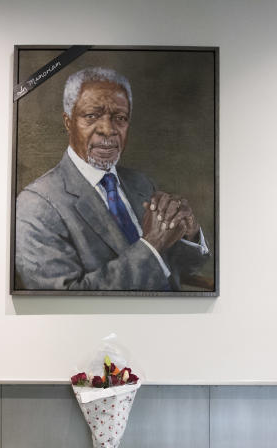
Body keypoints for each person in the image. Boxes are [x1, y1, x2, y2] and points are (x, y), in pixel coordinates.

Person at [14, 67, 209, 291]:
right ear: (68, 123)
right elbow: (63, 298)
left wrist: (189, 233)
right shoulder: (37, 205)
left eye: (120, 118)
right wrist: (152, 244)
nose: (108, 130)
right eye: (91, 116)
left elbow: (177, 270)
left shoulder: (141, 184)